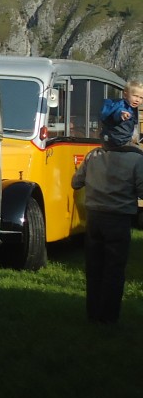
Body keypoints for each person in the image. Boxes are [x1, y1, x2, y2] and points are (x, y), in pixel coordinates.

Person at [71, 138, 143, 323]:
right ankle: (109, 317)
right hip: (119, 218)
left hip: (94, 217)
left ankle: (93, 314)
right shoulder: (136, 159)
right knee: (114, 269)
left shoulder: (93, 155)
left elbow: (76, 182)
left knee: (94, 268)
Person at [99, 80, 143, 148]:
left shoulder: (133, 108)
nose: (137, 100)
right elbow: (118, 112)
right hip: (118, 141)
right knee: (138, 154)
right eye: (135, 96)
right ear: (125, 95)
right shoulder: (121, 105)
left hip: (116, 139)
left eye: (141, 98)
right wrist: (122, 115)